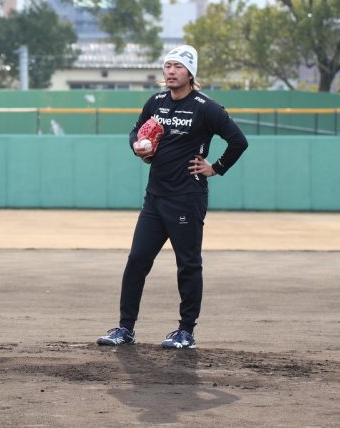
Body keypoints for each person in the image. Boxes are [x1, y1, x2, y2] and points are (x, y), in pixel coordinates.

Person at [97, 45, 248, 349]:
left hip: (187, 197)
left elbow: (238, 141)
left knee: (187, 263)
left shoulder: (206, 107)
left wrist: (215, 168)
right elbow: (136, 132)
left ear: (190, 72)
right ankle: (125, 329)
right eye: (167, 66)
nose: (171, 71)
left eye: (178, 66)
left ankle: (186, 331)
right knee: (137, 259)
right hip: (155, 197)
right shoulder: (156, 102)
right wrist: (139, 146)